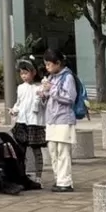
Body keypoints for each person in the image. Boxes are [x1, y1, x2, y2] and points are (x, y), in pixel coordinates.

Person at [41, 47, 79, 193]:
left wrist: (51, 89)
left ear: (58, 63)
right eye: (46, 64)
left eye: (49, 64)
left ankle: (65, 182)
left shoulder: (67, 77)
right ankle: (58, 179)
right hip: (51, 119)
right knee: (53, 151)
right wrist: (43, 93)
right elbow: (49, 97)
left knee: (63, 151)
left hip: (64, 119)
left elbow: (69, 98)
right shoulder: (51, 77)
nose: (47, 67)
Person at [11, 58, 46, 184]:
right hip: (22, 122)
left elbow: (43, 104)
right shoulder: (20, 87)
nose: (24, 76)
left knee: (36, 150)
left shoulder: (40, 87)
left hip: (35, 122)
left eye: (26, 73)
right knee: (21, 150)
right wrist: (14, 110)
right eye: (21, 74)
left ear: (33, 72)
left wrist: (43, 97)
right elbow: (19, 103)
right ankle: (22, 175)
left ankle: (38, 177)